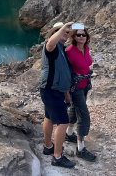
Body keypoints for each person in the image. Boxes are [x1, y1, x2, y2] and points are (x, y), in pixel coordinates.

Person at [39, 21, 76, 169]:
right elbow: (50, 43)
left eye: (68, 32)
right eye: (62, 32)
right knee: (63, 122)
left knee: (48, 117)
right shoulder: (51, 45)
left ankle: (48, 146)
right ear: (55, 31)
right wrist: (62, 27)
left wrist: (66, 94)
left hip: (56, 91)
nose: (66, 34)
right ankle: (57, 156)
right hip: (50, 90)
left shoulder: (62, 48)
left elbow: (64, 72)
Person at [65, 25, 97, 162]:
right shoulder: (69, 51)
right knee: (83, 115)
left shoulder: (86, 48)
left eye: (83, 35)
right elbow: (65, 71)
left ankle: (69, 133)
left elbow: (87, 63)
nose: (81, 37)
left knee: (74, 109)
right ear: (74, 37)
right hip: (75, 88)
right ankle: (80, 149)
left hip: (84, 85)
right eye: (78, 35)